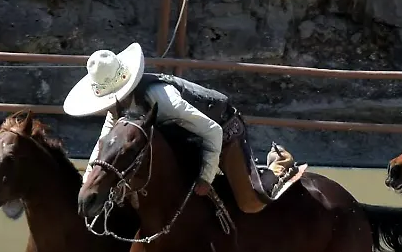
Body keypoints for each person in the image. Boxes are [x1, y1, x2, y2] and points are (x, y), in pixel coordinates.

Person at [63, 42, 304, 214]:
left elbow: (212, 131)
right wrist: (87, 183)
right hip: (183, 135)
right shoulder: (117, 110)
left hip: (222, 126)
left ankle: (279, 167)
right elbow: (104, 144)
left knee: (249, 202)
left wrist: (205, 178)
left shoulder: (162, 97)